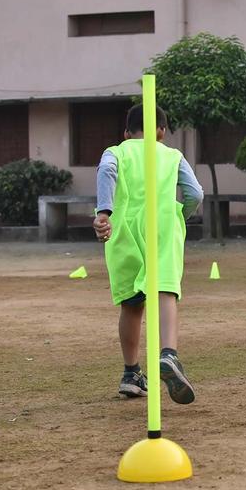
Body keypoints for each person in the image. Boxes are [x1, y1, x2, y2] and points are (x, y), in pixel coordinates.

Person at [93, 104, 203, 403]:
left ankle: (131, 373)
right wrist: (182, 214)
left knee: (131, 303)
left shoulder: (116, 151)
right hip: (163, 223)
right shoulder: (171, 154)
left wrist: (104, 212)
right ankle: (168, 355)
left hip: (123, 227)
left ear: (126, 132)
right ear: (162, 131)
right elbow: (196, 193)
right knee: (164, 290)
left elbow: (106, 172)